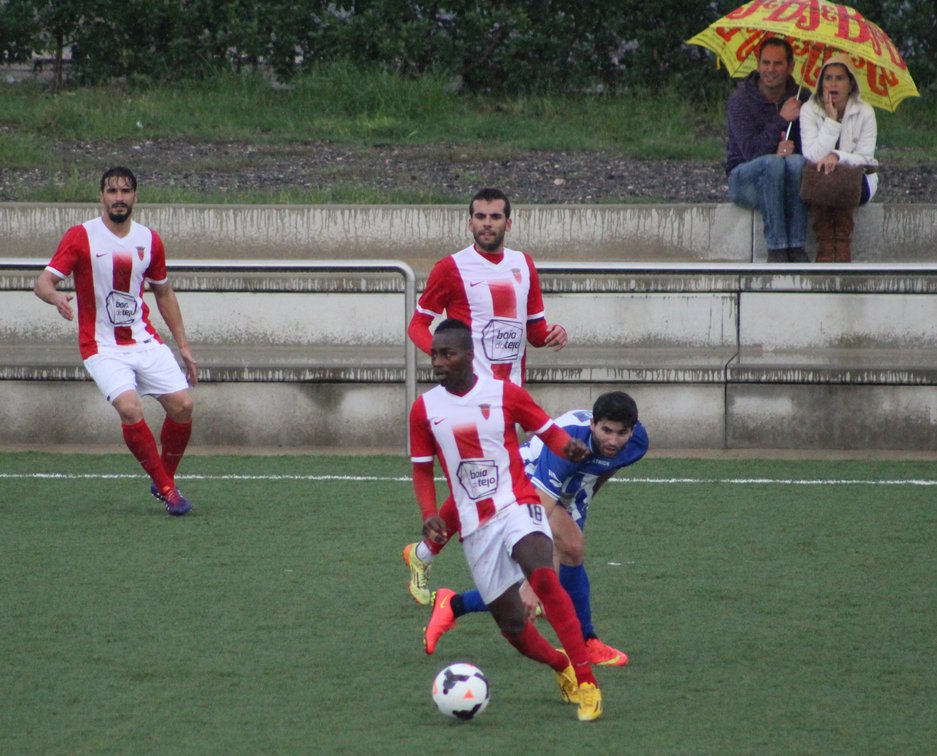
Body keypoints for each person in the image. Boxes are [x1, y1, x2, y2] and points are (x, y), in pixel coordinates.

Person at [409, 318, 601, 721]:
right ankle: (561, 665)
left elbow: (546, 430)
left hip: (517, 502)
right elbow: (423, 470)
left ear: (469, 355)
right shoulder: (424, 409)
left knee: (543, 577)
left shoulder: (504, 393)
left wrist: (567, 447)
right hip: (474, 526)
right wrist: (430, 514)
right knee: (513, 625)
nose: (438, 362)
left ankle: (588, 684)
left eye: (447, 354)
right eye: (434, 355)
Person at [403, 187, 568, 604]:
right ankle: (525, 583)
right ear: (469, 222)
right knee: (485, 485)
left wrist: (551, 334)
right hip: (467, 400)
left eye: (495, 217)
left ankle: (423, 554)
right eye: (480, 216)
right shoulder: (451, 268)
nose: (487, 224)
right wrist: (443, 358)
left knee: (487, 485)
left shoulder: (523, 265)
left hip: (510, 398)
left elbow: (533, 330)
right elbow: (417, 325)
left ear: (508, 222)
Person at [423, 391, 649, 668]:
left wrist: (583, 501)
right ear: (592, 424)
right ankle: (586, 642)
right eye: (606, 431)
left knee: (552, 577)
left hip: (568, 486)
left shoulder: (638, 443)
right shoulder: (569, 444)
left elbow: (608, 465)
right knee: (570, 548)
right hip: (522, 476)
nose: (613, 440)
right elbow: (538, 513)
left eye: (621, 433)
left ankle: (453, 605)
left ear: (632, 431)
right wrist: (533, 581)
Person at [33, 166, 197, 515]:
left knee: (183, 405)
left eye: (125, 191)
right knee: (129, 407)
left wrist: (183, 345)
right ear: (101, 197)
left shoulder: (149, 240)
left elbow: (164, 293)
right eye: (112, 191)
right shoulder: (81, 236)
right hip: (101, 346)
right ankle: (169, 491)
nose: (119, 198)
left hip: (142, 339)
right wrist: (55, 297)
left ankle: (163, 478)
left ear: (135, 196)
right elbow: (43, 282)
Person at [726, 37, 810, 263]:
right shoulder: (740, 100)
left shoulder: (802, 98)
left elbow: (810, 150)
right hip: (744, 180)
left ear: (790, 67)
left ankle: (796, 246)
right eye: (765, 63)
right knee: (772, 164)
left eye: (778, 63)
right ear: (758, 64)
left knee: (796, 162)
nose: (770, 69)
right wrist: (781, 120)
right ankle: (777, 250)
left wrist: (793, 150)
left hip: (785, 182)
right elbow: (750, 153)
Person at [799, 53, 879, 263]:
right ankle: (826, 243)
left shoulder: (865, 112)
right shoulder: (809, 109)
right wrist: (832, 121)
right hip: (819, 179)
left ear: (850, 84)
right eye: (828, 78)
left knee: (841, 178)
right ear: (821, 83)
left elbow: (865, 157)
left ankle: (842, 242)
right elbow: (812, 155)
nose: (833, 84)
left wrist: (837, 156)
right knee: (821, 178)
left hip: (858, 180)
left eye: (840, 78)